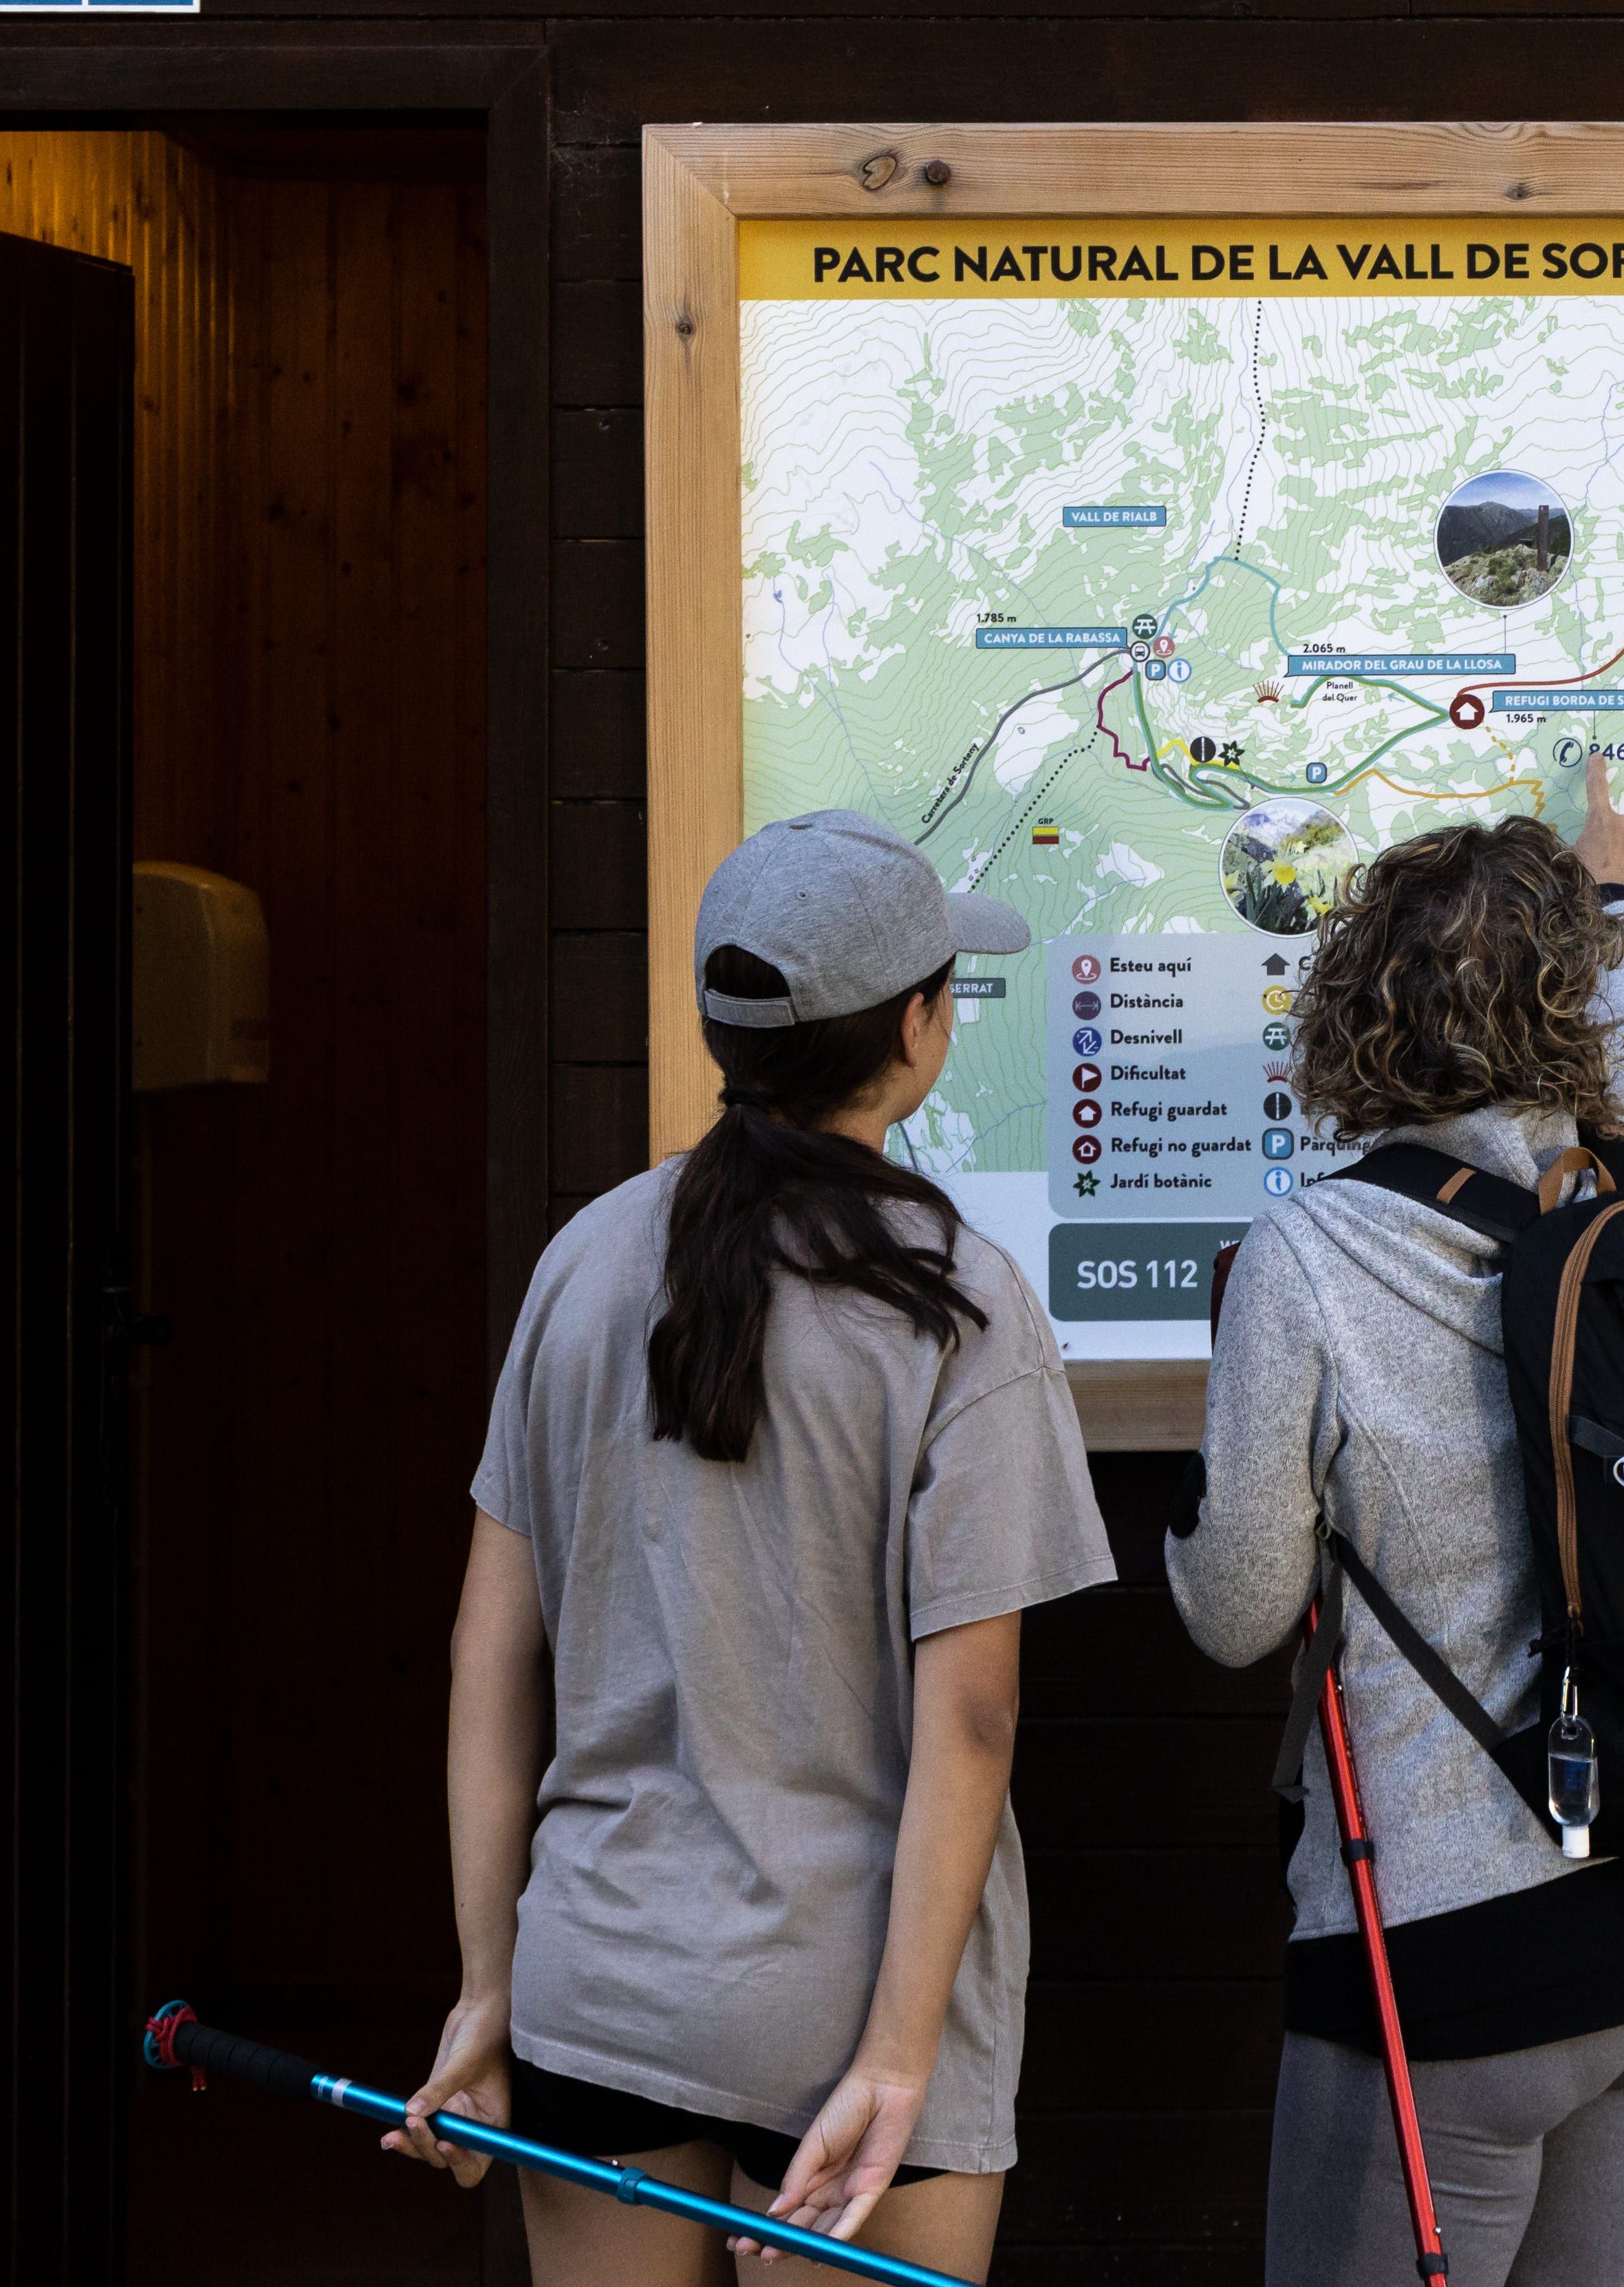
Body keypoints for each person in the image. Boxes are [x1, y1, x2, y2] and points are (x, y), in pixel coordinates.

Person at [385, 808, 1114, 2280]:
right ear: (916, 1026)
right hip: (853, 2007)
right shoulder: (958, 1303)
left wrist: (487, 1985)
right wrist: (903, 2056)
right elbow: (975, 1714)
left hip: (599, 1977)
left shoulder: (586, 1258)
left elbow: (486, 1650)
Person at [1169, 754, 1624, 2287]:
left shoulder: (1313, 1254)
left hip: (1450, 1948)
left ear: (1357, 1009)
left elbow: (1235, 1608)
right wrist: (1619, 893)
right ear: (1563, 1010)